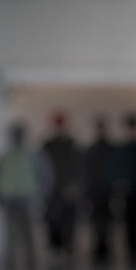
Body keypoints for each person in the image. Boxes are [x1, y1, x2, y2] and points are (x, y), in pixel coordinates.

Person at [0, 122, 43, 270]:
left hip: (28, 201)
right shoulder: (3, 157)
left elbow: (44, 178)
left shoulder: (33, 156)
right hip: (9, 201)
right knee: (10, 241)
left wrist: (39, 197)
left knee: (29, 240)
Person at [109, 113, 136, 269]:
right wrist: (119, 185)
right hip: (125, 190)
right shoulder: (122, 149)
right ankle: (129, 251)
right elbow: (117, 169)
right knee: (127, 221)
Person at [41, 111, 81, 259]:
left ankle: (68, 247)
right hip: (52, 189)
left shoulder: (72, 144)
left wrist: (75, 186)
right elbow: (42, 168)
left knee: (69, 220)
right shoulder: (47, 145)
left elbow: (77, 166)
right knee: (52, 220)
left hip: (68, 189)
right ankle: (55, 247)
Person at [85, 118, 115, 266]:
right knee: (98, 219)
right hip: (98, 189)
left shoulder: (105, 149)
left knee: (104, 220)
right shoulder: (96, 149)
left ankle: (103, 247)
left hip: (104, 189)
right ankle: (100, 246)